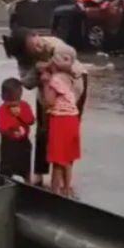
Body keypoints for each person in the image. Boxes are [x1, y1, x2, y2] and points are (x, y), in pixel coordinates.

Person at [18, 31, 88, 186]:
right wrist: (38, 72)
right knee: (44, 133)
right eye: (33, 49)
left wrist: (59, 66)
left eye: (37, 42)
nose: (39, 46)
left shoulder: (55, 44)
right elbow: (27, 83)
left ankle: (64, 176)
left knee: (66, 138)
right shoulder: (30, 64)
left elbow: (71, 56)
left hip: (70, 96)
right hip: (50, 96)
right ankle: (41, 172)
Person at [41, 44, 82, 197]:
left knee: (58, 160)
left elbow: (50, 102)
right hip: (72, 120)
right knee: (69, 158)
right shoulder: (70, 78)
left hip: (60, 121)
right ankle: (67, 188)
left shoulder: (55, 80)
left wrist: (45, 83)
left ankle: (55, 191)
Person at [0, 78, 35, 182]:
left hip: (23, 143)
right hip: (8, 145)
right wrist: (12, 126)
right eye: (9, 101)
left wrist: (20, 115)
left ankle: (28, 184)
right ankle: (4, 185)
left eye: (16, 101)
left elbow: (31, 120)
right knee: (6, 171)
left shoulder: (25, 106)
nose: (13, 104)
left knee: (26, 170)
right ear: (2, 97)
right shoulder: (2, 110)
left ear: (20, 96)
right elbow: (1, 128)